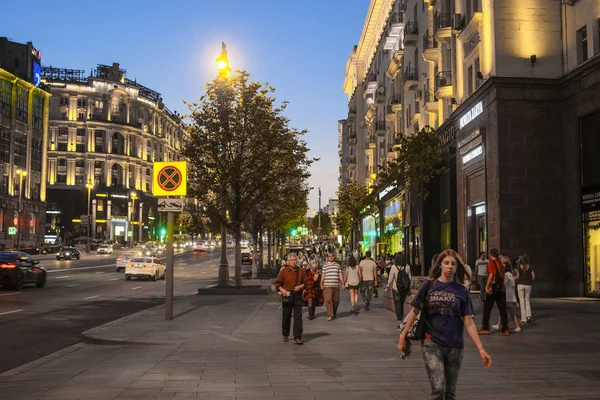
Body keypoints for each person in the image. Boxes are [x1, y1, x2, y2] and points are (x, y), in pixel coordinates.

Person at [398, 249, 492, 400]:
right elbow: (414, 311)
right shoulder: (429, 285)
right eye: (446, 263)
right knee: (438, 388)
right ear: (440, 265)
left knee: (450, 392)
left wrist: (481, 349)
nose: (449, 266)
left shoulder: (462, 291)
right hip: (431, 342)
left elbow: (468, 322)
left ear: (457, 267)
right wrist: (402, 337)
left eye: (453, 264)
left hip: (455, 345)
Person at [274, 252, 307, 344]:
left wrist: (300, 287)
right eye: (291, 260)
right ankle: (285, 334)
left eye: (295, 260)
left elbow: (306, 282)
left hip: (297, 295)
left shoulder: (301, 271)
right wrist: (282, 290)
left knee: (298, 317)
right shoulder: (284, 271)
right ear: (288, 261)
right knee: (286, 316)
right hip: (287, 295)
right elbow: (277, 284)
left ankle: (297, 336)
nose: (293, 262)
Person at [478, 248, 509, 336]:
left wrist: (487, 287)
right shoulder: (501, 264)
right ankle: (505, 329)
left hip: (493, 289)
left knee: (487, 308)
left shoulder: (492, 263)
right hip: (501, 289)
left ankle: (485, 328)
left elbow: (491, 275)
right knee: (503, 310)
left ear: (491, 254)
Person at [492, 256, 521, 333]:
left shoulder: (506, 275)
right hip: (512, 296)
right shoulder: (511, 274)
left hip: (507, 296)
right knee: (508, 312)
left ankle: (516, 326)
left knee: (509, 313)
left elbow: (503, 284)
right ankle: (499, 324)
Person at [386, 252, 412, 330]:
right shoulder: (407, 267)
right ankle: (401, 322)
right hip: (404, 289)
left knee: (398, 305)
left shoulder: (394, 267)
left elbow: (390, 278)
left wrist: (387, 286)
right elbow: (409, 279)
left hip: (396, 289)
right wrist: (409, 289)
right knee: (401, 304)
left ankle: (400, 323)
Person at [320, 253, 345, 321]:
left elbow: (340, 274)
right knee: (328, 300)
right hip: (327, 285)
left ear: (334, 257)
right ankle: (330, 315)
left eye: (332, 256)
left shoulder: (337, 265)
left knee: (336, 300)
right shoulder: (325, 265)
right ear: (327, 257)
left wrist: (343, 282)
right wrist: (321, 283)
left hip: (336, 285)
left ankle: (333, 312)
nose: (331, 257)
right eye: (329, 256)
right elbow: (323, 274)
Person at [516, 255, 535, 324]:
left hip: (520, 285)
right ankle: (528, 316)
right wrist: (529, 280)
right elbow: (533, 276)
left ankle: (523, 318)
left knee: (522, 301)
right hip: (528, 285)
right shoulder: (530, 266)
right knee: (527, 300)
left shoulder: (519, 266)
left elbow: (517, 277)